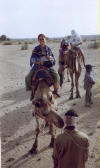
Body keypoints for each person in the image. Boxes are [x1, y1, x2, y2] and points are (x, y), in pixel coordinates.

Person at [25, 34, 60, 100]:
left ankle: (55, 91)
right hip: (37, 66)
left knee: (57, 76)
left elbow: (53, 59)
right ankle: (32, 92)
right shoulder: (36, 49)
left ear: (45, 40)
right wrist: (38, 61)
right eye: (40, 39)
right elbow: (32, 58)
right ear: (38, 40)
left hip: (47, 66)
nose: (42, 41)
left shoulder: (48, 49)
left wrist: (49, 57)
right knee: (28, 77)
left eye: (43, 39)